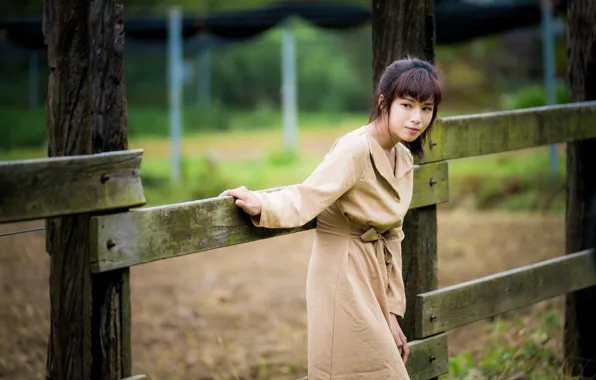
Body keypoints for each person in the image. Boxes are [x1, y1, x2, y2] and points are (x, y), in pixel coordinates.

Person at [219, 57, 442, 380]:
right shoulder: (354, 149)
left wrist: (392, 313)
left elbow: (394, 235)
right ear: (384, 102)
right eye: (406, 105)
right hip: (341, 270)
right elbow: (308, 195)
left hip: (372, 272)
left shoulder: (403, 156)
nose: (416, 118)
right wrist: (261, 204)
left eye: (426, 108)